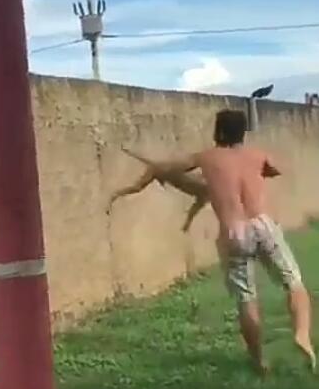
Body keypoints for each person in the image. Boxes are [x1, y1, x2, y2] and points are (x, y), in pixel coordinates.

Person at [110, 109, 316, 375]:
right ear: (243, 133)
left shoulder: (205, 157)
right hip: (263, 224)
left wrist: (157, 166)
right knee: (294, 283)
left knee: (247, 298)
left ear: (218, 131)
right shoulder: (257, 155)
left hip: (233, 232)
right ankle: (301, 333)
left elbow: (170, 167)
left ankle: (258, 361)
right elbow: (276, 170)